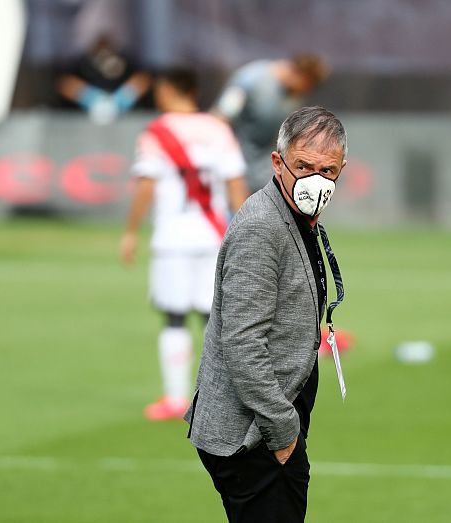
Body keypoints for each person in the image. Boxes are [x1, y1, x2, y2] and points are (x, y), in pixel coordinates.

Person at [185, 106, 347, 522]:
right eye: (304, 166)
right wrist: (281, 432)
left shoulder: (296, 216)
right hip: (252, 435)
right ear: (278, 163)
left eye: (327, 170)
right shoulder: (263, 226)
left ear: (342, 169)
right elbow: (242, 341)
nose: (316, 180)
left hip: (266, 425)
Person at [120, 68, 249, 421]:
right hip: (214, 236)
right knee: (214, 318)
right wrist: (247, 230)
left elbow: (147, 185)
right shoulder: (218, 129)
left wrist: (130, 230)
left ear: (169, 90)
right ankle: (222, 398)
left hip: (173, 239)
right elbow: (236, 183)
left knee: (174, 317)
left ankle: (176, 398)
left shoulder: (157, 132)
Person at [213, 54, 329, 191]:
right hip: (234, 176)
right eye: (308, 85)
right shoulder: (250, 80)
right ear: (298, 73)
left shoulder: (294, 96)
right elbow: (220, 118)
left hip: (264, 179)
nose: (307, 92)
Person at [57, 35, 151, 125]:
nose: (103, 47)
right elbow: (64, 83)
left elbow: (144, 79)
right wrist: (90, 98)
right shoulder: (83, 62)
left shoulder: (125, 59)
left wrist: (120, 99)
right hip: (87, 119)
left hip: (123, 117)